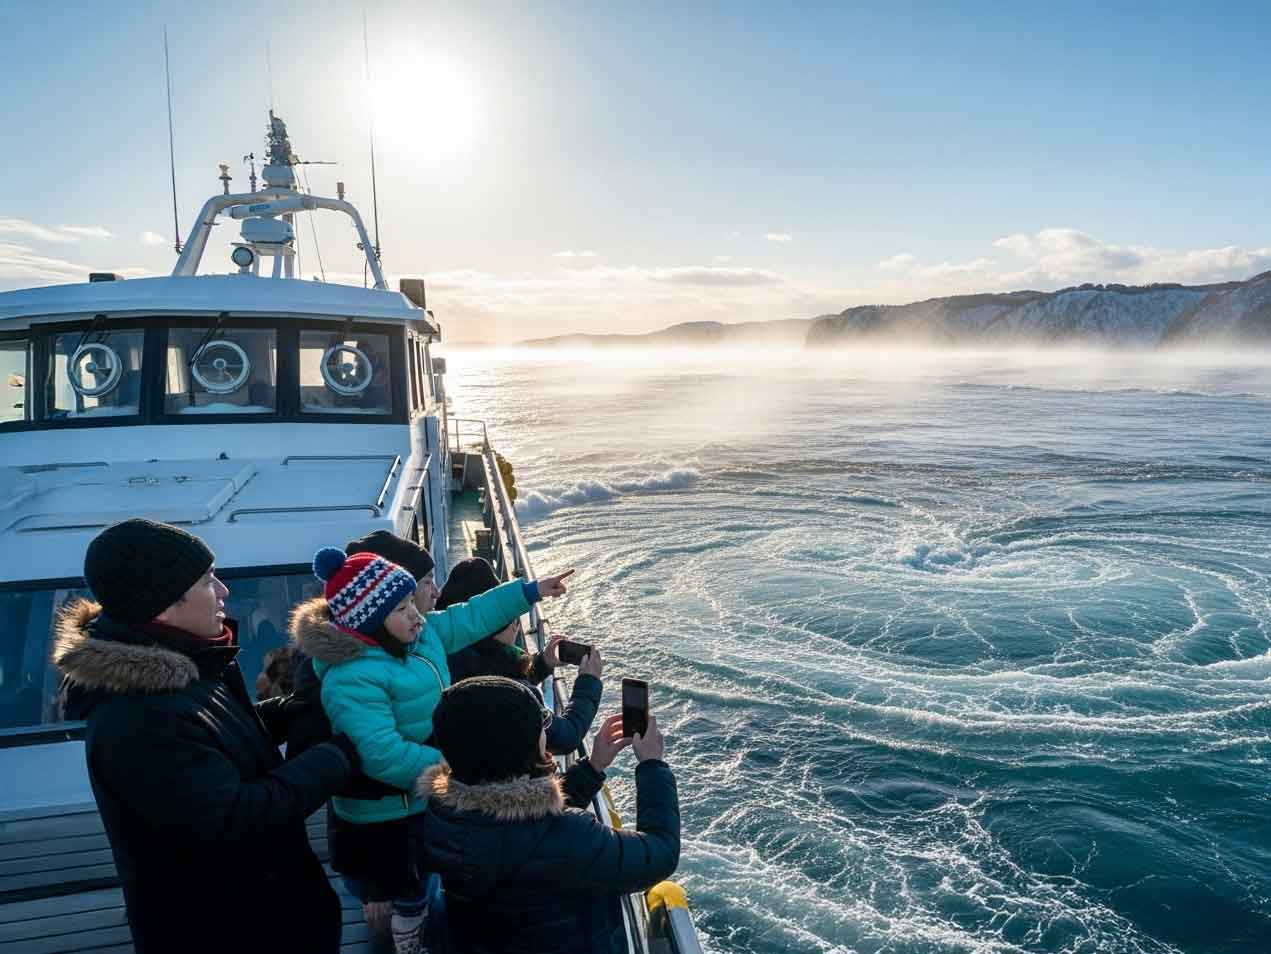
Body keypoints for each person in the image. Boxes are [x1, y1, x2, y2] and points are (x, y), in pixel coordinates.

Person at [52, 519, 358, 954]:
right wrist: (340, 756)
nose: (224, 591)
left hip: (267, 916)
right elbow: (236, 818)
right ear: (161, 605)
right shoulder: (137, 719)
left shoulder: (179, 664)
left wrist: (291, 711)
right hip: (229, 931)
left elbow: (217, 735)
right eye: (206, 580)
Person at [289, 546, 575, 954]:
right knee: (409, 890)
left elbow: (471, 615)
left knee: (432, 876)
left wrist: (527, 592)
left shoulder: (422, 637)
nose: (416, 614)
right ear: (368, 622)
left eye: (411, 602)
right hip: (384, 816)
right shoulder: (352, 679)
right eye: (402, 608)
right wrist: (454, 768)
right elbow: (382, 755)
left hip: (424, 792)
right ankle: (409, 938)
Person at [418, 676, 681, 954]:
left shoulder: (443, 812)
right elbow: (660, 853)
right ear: (522, 744)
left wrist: (593, 767)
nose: (547, 731)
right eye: (542, 723)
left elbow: (521, 825)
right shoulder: (572, 838)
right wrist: (652, 766)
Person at [437, 556, 602, 755]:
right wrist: (588, 683)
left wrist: (543, 663)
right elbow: (566, 736)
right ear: (490, 626)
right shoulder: (510, 692)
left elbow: (499, 680)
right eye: (508, 617)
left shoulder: (448, 658)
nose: (516, 624)